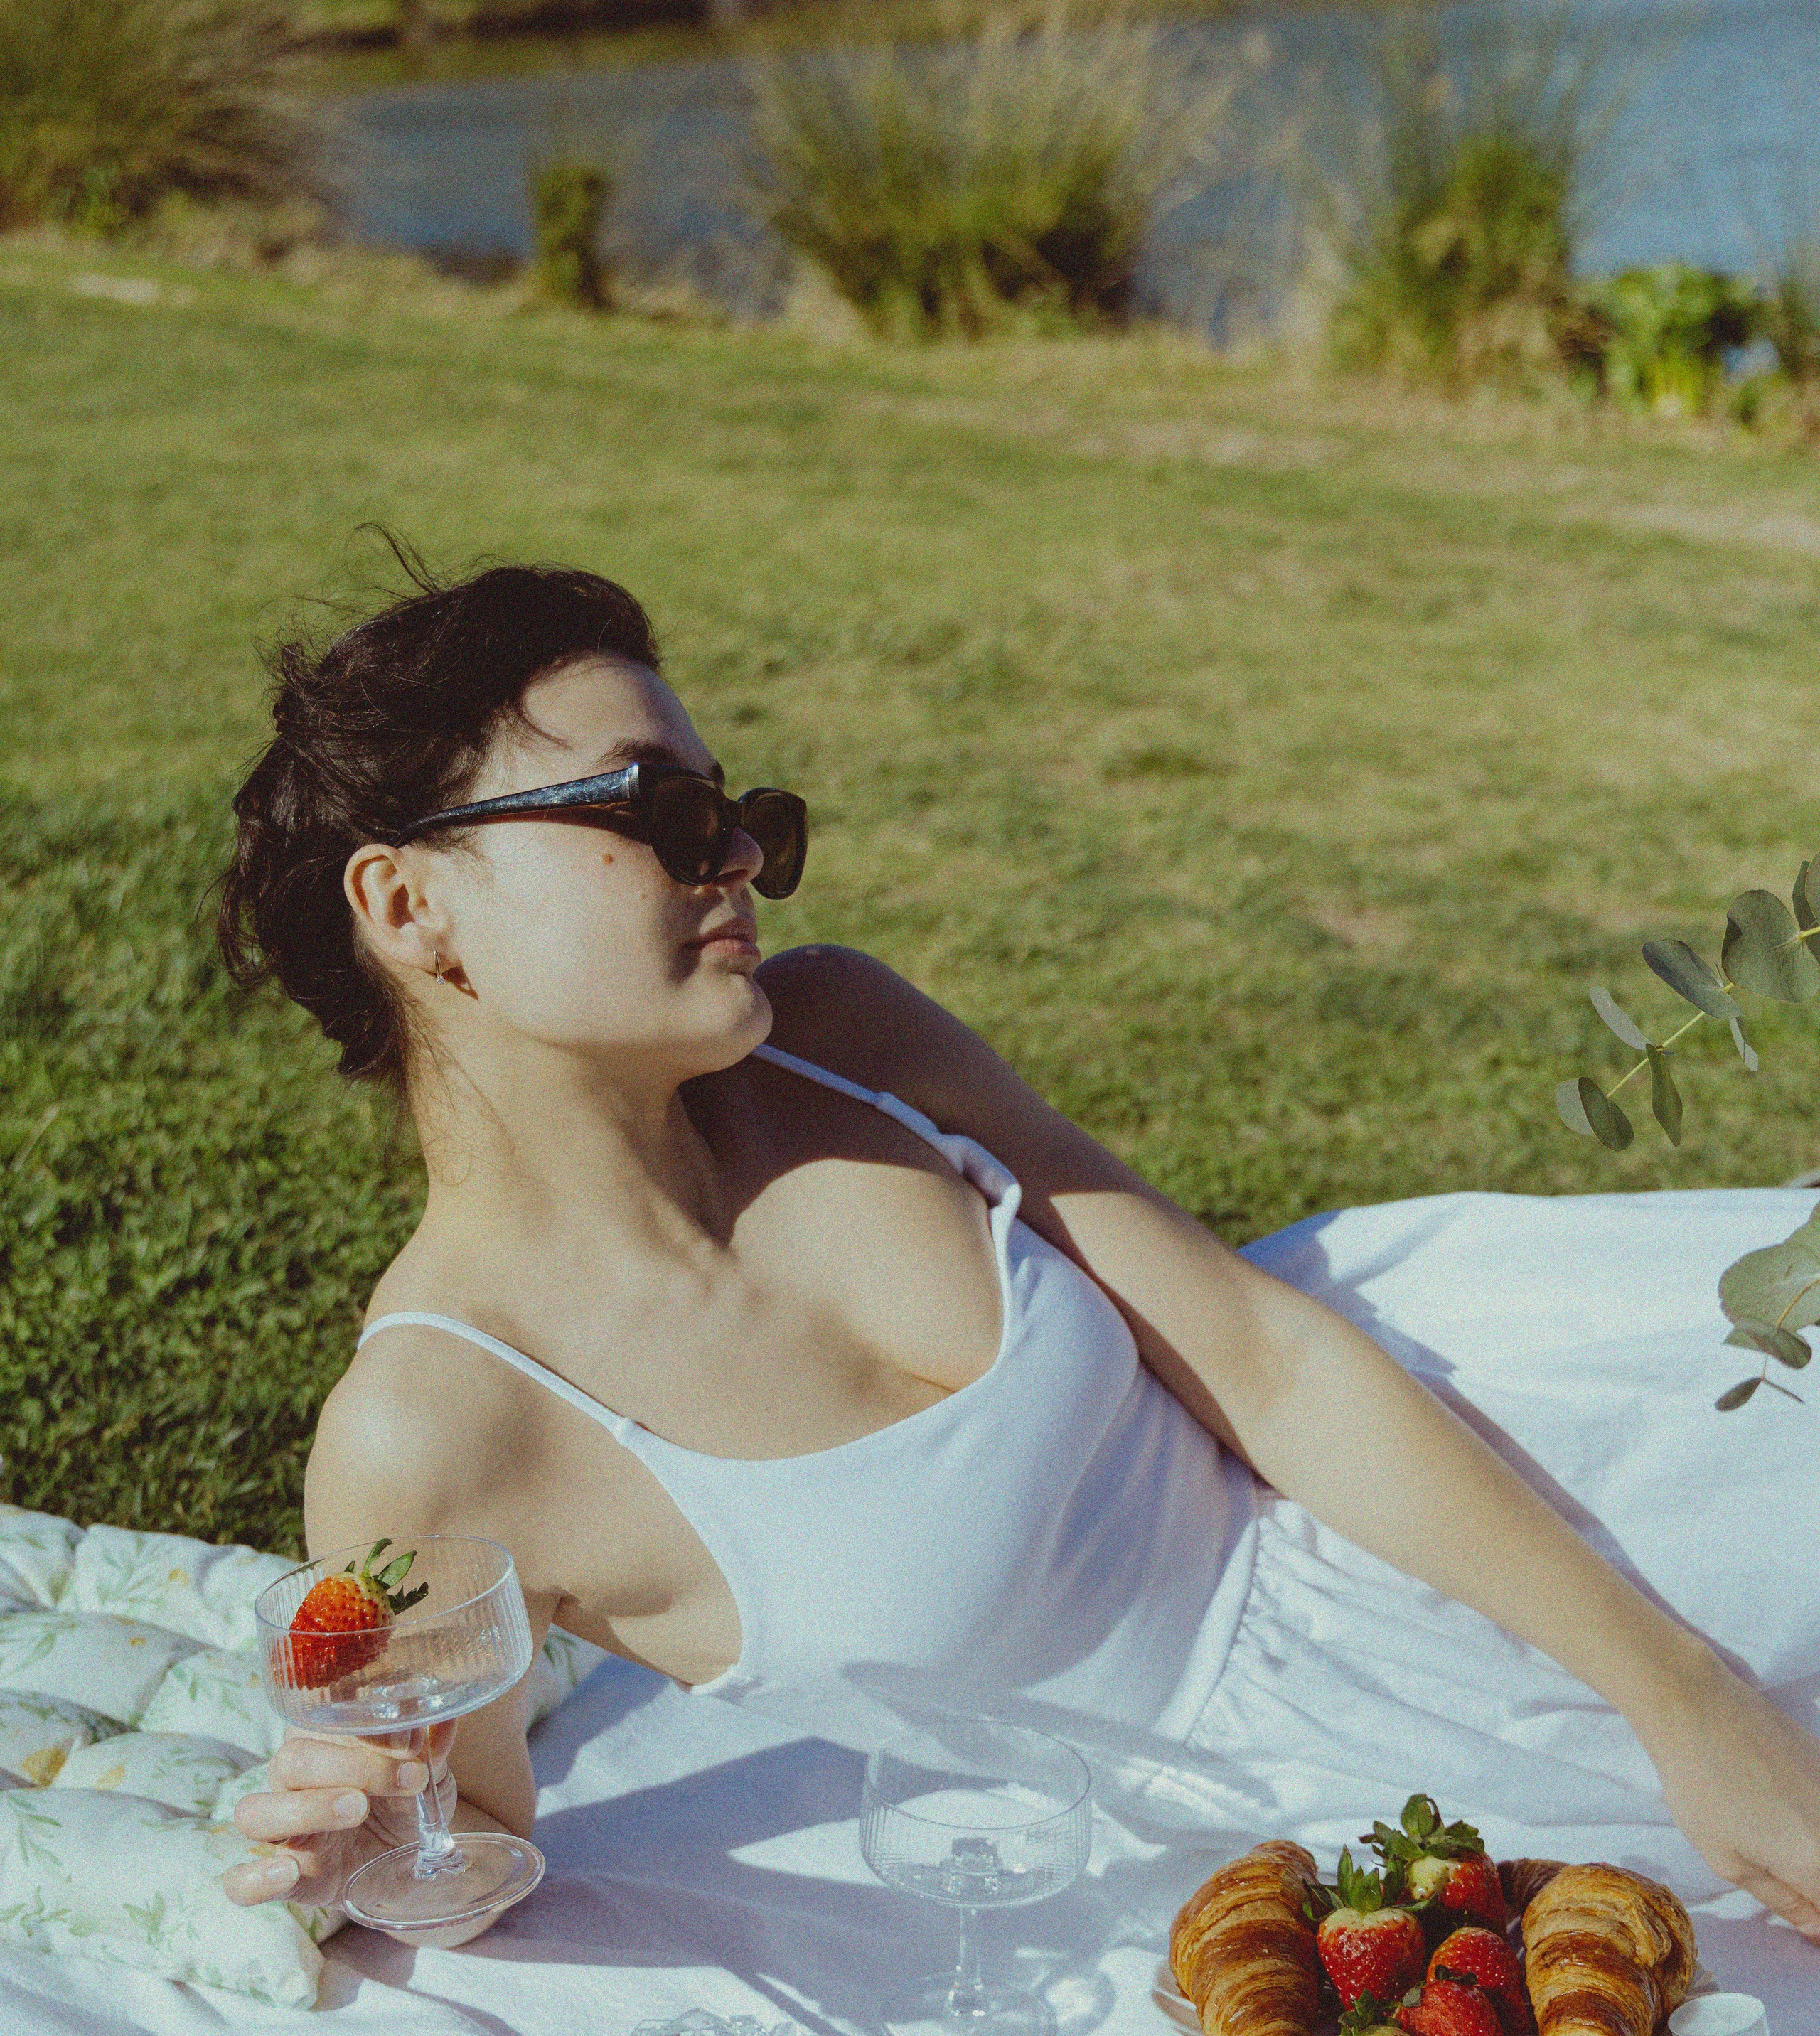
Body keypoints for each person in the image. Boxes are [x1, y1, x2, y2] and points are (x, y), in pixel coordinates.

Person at [217, 557, 1820, 1951]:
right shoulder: (434, 1432)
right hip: (1271, 1774)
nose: (740, 861)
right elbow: (469, 1841)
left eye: (742, 814)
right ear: (410, 904)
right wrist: (374, 1857)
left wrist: (1674, 1687)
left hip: (1427, 1472)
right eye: (660, 812)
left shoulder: (841, 1038)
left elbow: (1260, 1361)